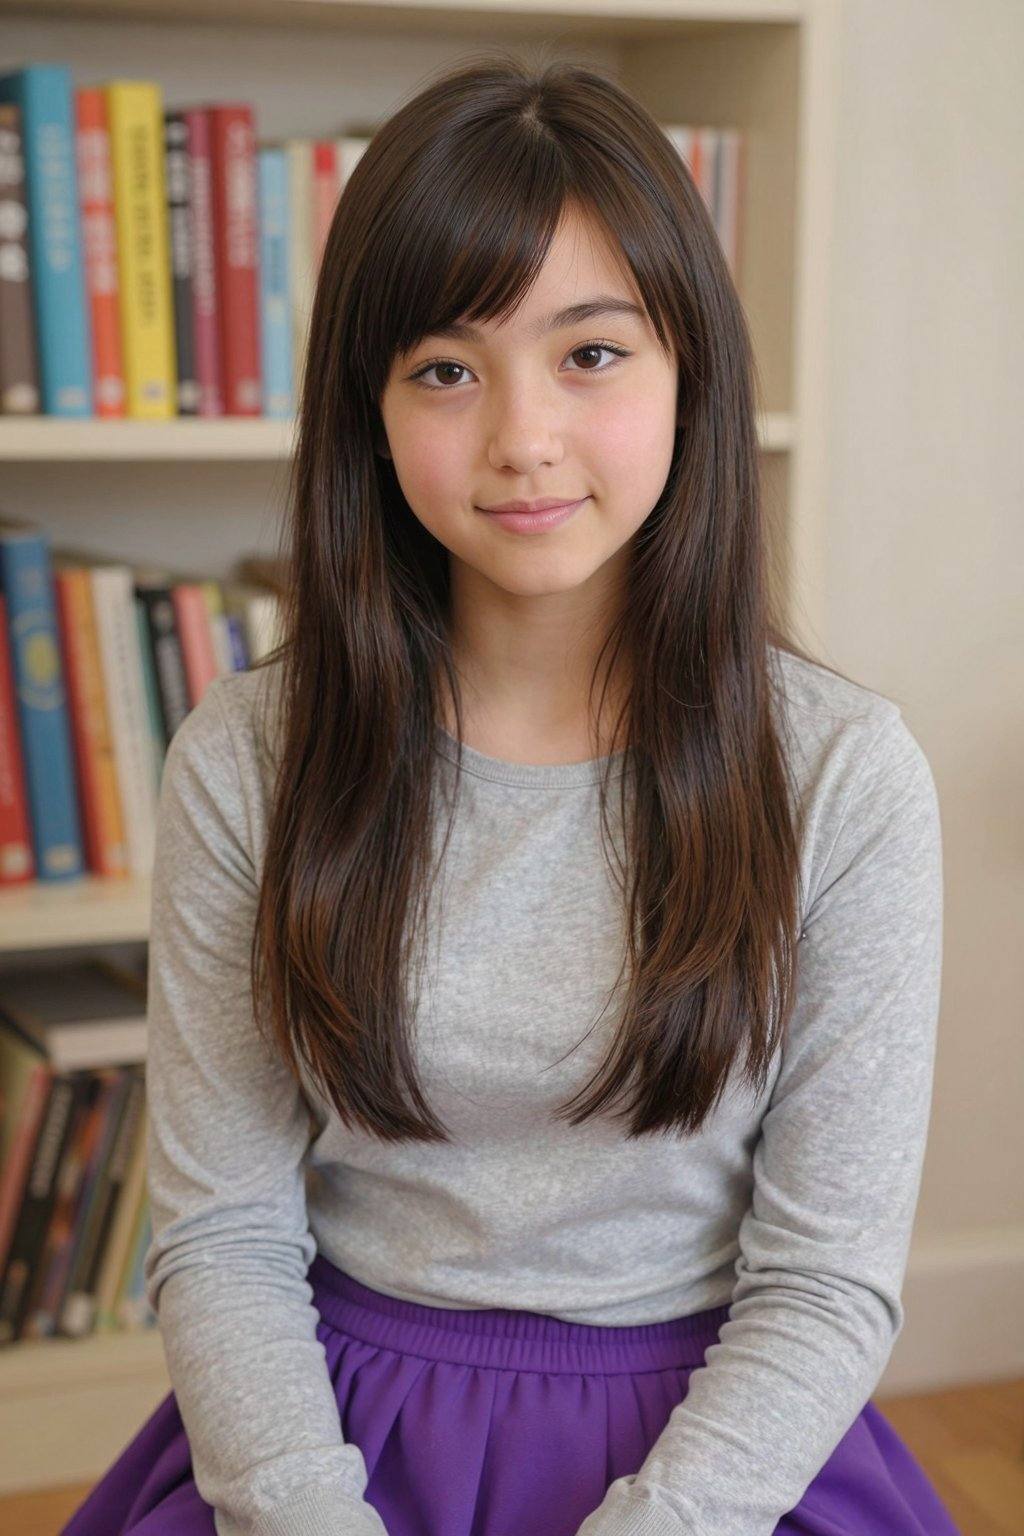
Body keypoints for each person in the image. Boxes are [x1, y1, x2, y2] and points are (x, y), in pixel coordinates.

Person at [61, 48, 961, 1536]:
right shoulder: (251, 751)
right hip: (325, 1448)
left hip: (712, 1461)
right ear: (372, 406)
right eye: (446, 369)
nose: (521, 437)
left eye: (591, 354)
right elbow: (222, 1234)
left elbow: (824, 1284)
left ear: (692, 372)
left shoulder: (843, 775)